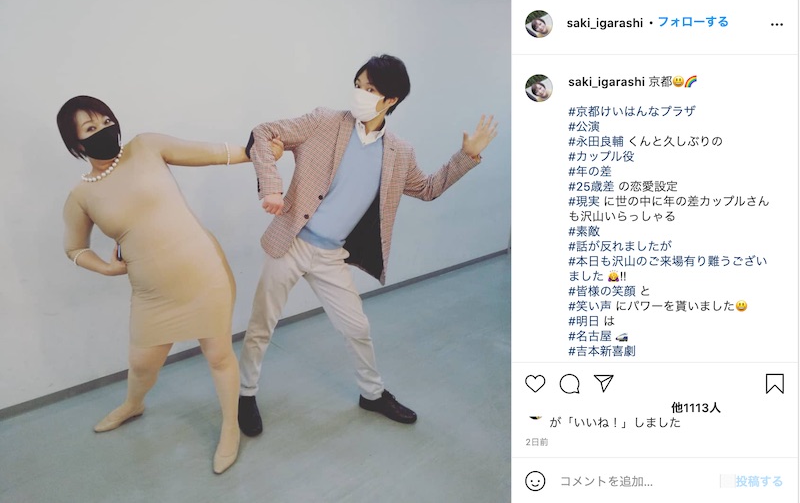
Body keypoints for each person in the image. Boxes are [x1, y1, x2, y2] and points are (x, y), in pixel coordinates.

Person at [238, 54, 498, 437]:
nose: (359, 93)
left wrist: (467, 156)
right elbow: (263, 132)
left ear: (390, 100)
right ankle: (245, 394)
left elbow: (427, 189)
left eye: (370, 89)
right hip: (291, 242)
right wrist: (272, 188)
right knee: (262, 324)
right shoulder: (324, 121)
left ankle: (372, 394)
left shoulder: (400, 152)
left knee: (357, 327)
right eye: (358, 85)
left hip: (331, 255)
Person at [58, 95, 282, 474]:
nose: (104, 131)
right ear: (77, 144)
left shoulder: (145, 147)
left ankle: (230, 427)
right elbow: (74, 248)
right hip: (152, 293)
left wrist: (257, 154)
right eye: (91, 128)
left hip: (203, 274)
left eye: (106, 121)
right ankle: (133, 404)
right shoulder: (81, 196)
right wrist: (107, 269)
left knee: (218, 356)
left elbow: (213, 153)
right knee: (142, 363)